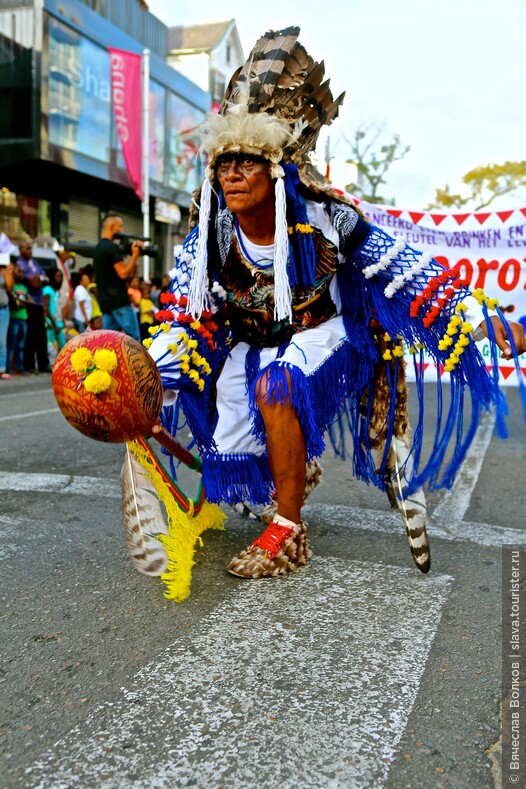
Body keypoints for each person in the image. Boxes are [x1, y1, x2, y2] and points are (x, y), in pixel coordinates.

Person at [147, 27, 526, 580]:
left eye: (246, 162)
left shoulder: (329, 218)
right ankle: (288, 469)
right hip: (249, 336)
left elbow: (411, 277)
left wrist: (491, 325)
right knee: (185, 379)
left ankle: (288, 529)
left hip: (321, 333)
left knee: (276, 386)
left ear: (276, 172)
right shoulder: (212, 228)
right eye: (223, 163)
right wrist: (142, 374)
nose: (231, 174)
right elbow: (184, 305)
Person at [92, 214, 142, 341]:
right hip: (119, 302)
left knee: (108, 342)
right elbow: (123, 273)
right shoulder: (112, 247)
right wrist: (135, 255)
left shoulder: (98, 248)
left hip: (106, 304)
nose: (122, 230)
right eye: (120, 226)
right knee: (134, 339)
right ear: (111, 226)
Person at [16, 240, 49, 373]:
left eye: (30, 248)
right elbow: (33, 283)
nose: (30, 251)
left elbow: (45, 278)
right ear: (20, 250)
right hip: (29, 303)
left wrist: (39, 279)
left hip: (39, 303)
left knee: (42, 335)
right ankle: (29, 365)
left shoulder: (34, 263)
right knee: (30, 336)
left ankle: (43, 364)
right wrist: (39, 280)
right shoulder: (20, 264)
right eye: (27, 248)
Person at [6, 263, 31, 375]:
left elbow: (31, 301)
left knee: (21, 344)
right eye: (18, 271)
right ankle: (9, 367)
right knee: (12, 344)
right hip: (14, 318)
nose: (21, 274)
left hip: (23, 318)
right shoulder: (12, 286)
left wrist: (20, 302)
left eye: (22, 272)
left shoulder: (23, 287)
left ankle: (20, 367)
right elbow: (12, 299)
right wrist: (21, 302)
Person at [43, 267, 66, 360]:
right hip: (51, 323)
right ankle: (52, 364)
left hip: (58, 323)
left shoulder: (55, 291)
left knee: (63, 345)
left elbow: (57, 308)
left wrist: (62, 320)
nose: (59, 279)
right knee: (50, 344)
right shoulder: (47, 290)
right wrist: (53, 323)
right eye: (57, 276)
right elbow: (46, 308)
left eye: (60, 276)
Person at [0, 257, 12, 379]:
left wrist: (8, 271)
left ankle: (1, 369)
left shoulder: (5, 271)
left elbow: (10, 287)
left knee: (2, 340)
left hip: (3, 310)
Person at [72, 267, 92, 333]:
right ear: (81, 282)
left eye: (88, 279)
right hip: (81, 319)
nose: (88, 281)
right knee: (82, 339)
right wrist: (85, 318)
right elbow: (81, 304)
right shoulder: (80, 289)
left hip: (83, 319)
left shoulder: (83, 289)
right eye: (85, 279)